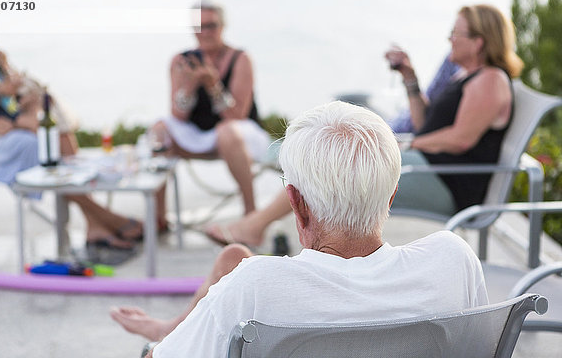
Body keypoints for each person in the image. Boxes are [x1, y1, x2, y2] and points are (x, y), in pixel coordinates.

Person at [110, 101, 488, 357]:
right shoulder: (453, 261)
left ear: (296, 202)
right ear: (391, 195)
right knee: (233, 258)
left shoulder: (257, 287)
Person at [206, 3, 522, 246]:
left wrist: (407, 144)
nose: (449, 39)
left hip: (448, 183)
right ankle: (267, 228)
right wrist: (410, 79)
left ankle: (259, 227)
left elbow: (461, 140)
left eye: (457, 33)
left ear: (479, 42)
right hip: (430, 169)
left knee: (330, 167)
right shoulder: (466, 77)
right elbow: (425, 125)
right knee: (327, 164)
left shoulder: (490, 81)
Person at [0, 13, 142, 251]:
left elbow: (11, 96)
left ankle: (95, 222)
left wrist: (6, 68)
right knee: (46, 149)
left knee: (56, 135)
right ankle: (101, 217)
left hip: (6, 131)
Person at [149, 0, 269, 229]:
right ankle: (159, 218)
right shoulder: (181, 60)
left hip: (239, 132)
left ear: (222, 26)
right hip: (198, 132)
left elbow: (236, 114)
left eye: (211, 25)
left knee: (227, 131)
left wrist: (213, 84)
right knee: (160, 129)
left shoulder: (240, 58)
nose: (205, 32)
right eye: (199, 26)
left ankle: (251, 214)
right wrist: (190, 86)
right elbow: (177, 115)